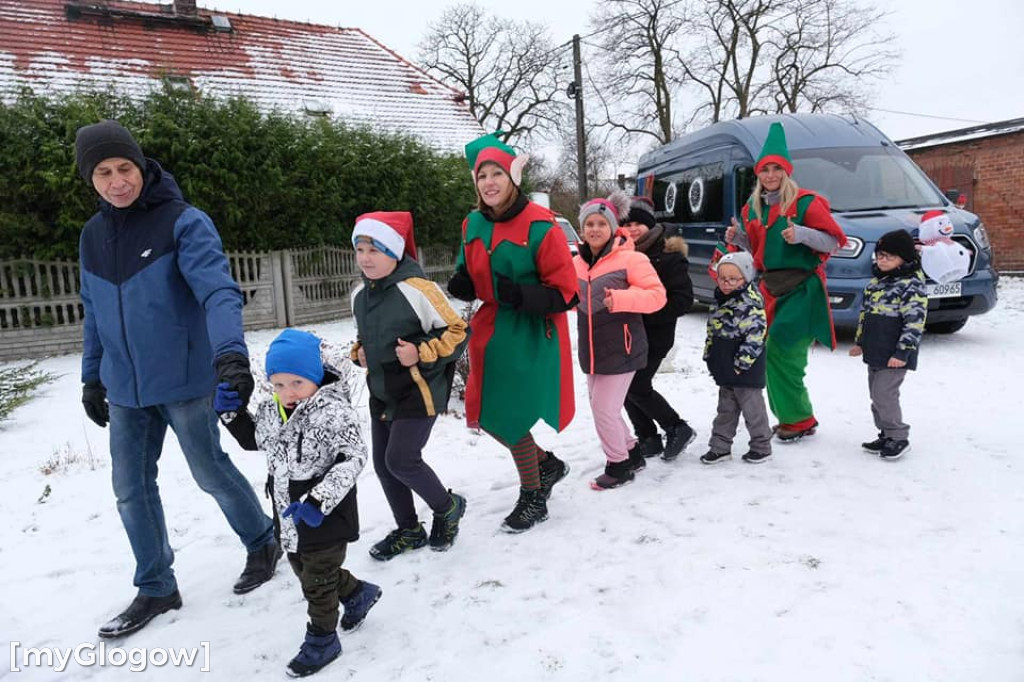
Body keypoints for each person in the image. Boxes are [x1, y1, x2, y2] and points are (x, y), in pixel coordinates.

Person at [75, 120, 278, 638]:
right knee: (130, 490)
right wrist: (92, 377)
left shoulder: (183, 222)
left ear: (141, 167)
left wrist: (230, 355)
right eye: (103, 172)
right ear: (90, 178)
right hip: (125, 389)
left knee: (210, 471)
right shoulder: (93, 237)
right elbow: (94, 312)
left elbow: (218, 292)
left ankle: (262, 541)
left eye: (125, 168)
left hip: (187, 379)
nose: (117, 181)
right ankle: (156, 586)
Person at [215, 329, 378, 677]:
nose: (287, 393)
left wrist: (318, 501)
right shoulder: (273, 411)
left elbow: (353, 457)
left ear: (316, 377)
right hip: (287, 513)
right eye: (278, 384)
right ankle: (357, 593)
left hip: (326, 515)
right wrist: (232, 415)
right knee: (305, 570)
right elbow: (253, 440)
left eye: (297, 383)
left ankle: (322, 640)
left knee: (316, 583)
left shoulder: (334, 412)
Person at [447, 132, 578, 532]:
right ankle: (545, 465)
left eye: (497, 173)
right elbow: (465, 267)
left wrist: (522, 294)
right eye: (482, 175)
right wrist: (462, 282)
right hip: (490, 327)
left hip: (531, 331)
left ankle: (533, 496)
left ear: (512, 178)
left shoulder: (541, 225)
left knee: (510, 414)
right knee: (485, 414)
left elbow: (567, 293)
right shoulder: (472, 223)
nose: (489, 182)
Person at [348, 211, 469, 560]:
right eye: (360, 249)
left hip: (419, 390)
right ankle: (409, 530)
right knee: (385, 466)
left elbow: (458, 331)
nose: (366, 258)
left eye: (375, 249)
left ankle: (448, 508)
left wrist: (421, 351)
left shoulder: (419, 290)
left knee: (401, 460)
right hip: (382, 391)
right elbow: (364, 337)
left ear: (395, 252)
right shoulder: (360, 295)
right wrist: (360, 353)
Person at [726, 122, 847, 443]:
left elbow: (833, 242)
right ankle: (793, 417)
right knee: (768, 352)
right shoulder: (753, 207)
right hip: (769, 289)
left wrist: (802, 234)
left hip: (802, 290)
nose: (770, 175)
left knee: (784, 352)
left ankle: (799, 418)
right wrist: (738, 238)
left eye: (776, 168)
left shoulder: (807, 203)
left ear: (786, 171)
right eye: (764, 169)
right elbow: (757, 252)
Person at [574, 192, 667, 489]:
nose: (595, 229)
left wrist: (620, 298)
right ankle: (632, 452)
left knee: (604, 408)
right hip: (592, 349)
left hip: (623, 347)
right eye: (590, 223)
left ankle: (619, 465)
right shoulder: (576, 262)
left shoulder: (632, 258)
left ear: (613, 227)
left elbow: (657, 296)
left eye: (602, 223)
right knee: (601, 406)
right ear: (582, 228)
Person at [620, 196, 696, 467]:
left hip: (656, 334)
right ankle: (647, 437)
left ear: (650, 225)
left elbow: (683, 299)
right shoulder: (621, 255)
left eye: (638, 223)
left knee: (637, 385)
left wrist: (647, 309)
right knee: (624, 385)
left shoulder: (668, 256)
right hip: (628, 334)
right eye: (626, 224)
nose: (632, 229)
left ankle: (676, 427)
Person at [849, 229, 927, 460]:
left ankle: (898, 436)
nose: (883, 260)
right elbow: (866, 315)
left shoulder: (911, 286)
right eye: (880, 255)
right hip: (876, 350)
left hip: (895, 354)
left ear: (904, 258)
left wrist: (902, 352)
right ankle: (886, 433)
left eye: (889, 257)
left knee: (884, 394)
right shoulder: (875, 284)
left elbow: (914, 322)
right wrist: (860, 342)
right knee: (876, 394)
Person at [701, 251, 772, 464]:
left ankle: (761, 445)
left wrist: (742, 364)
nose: (727, 283)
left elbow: (755, 337)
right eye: (723, 278)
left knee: (753, 410)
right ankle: (720, 447)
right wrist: (710, 355)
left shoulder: (750, 305)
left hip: (746, 369)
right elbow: (712, 330)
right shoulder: (720, 300)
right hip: (724, 365)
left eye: (733, 278)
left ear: (746, 278)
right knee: (725, 409)